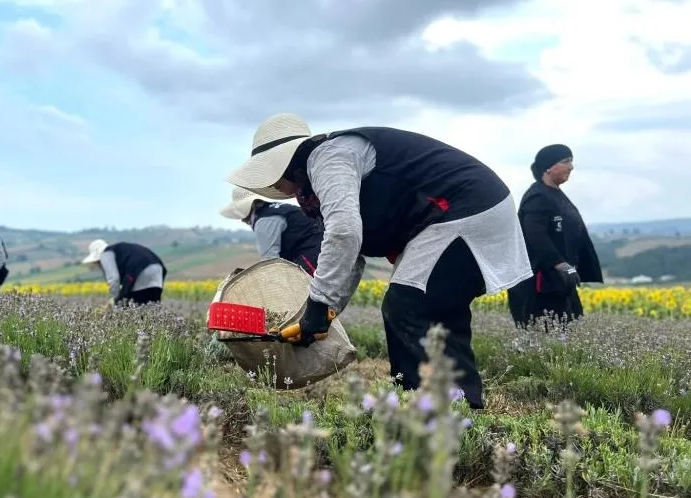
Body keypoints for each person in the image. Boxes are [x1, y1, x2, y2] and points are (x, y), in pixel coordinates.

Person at [225, 113, 533, 410]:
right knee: (433, 309)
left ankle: (431, 404)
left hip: (465, 207)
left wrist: (319, 306)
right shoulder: (322, 172)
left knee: (408, 305)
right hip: (468, 209)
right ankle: (453, 404)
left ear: (285, 162)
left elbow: (344, 233)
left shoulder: (328, 158)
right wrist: (323, 314)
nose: (274, 185)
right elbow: (351, 257)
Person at [506, 144, 603, 329]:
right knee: (546, 336)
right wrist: (560, 264)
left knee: (571, 331)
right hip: (540, 284)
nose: (571, 167)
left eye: (571, 161)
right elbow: (535, 236)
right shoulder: (537, 198)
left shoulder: (555, 195)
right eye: (566, 161)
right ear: (548, 167)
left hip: (559, 282)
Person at [219, 186, 324, 275]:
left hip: (312, 256)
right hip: (323, 248)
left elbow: (270, 262)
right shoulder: (278, 208)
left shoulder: (264, 221)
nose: (242, 220)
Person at [82, 239, 167, 305]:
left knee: (130, 309)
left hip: (139, 272)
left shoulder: (106, 253)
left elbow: (114, 279)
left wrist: (115, 300)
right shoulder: (121, 250)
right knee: (152, 310)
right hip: (158, 271)